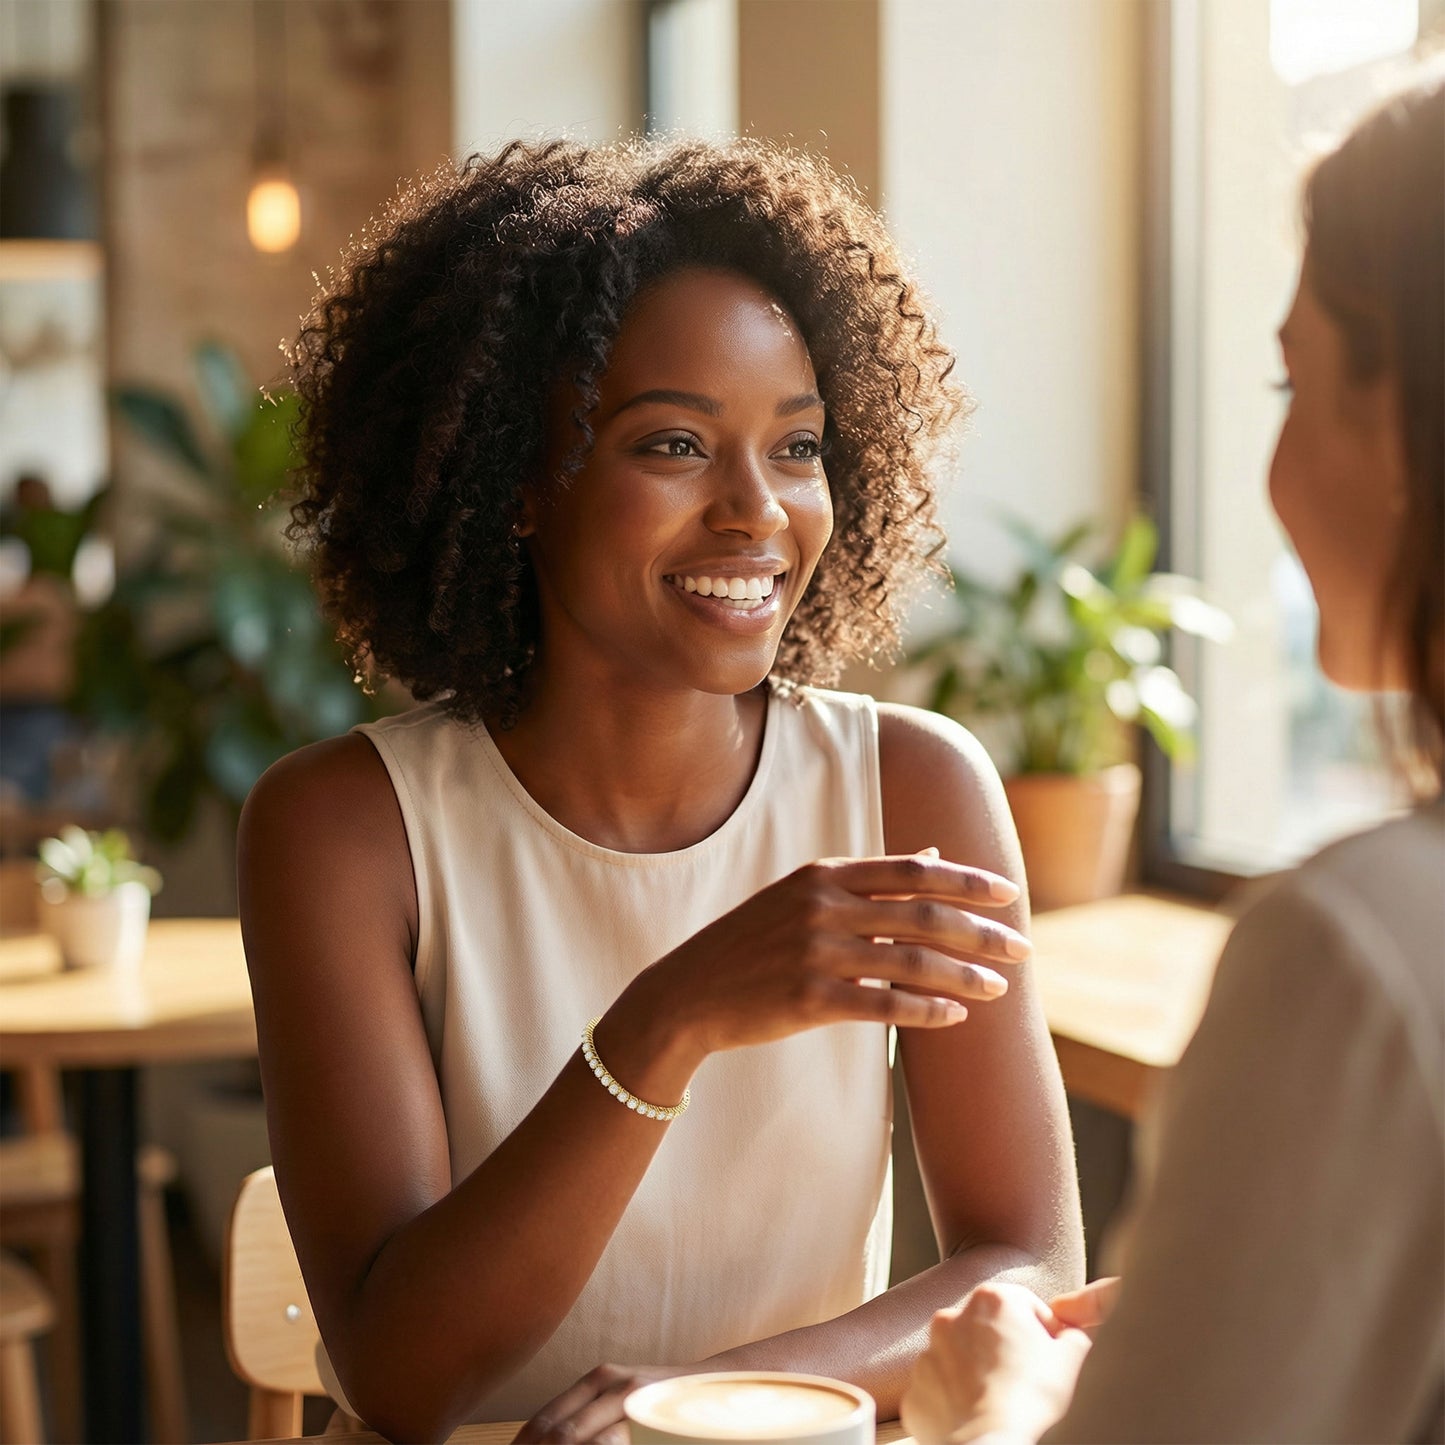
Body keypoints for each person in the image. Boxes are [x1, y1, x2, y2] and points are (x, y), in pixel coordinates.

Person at [237, 137, 1085, 1443]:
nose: (758, 511)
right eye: (675, 443)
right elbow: (406, 1377)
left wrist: (693, 1403)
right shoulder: (344, 831)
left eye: (796, 446)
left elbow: (1025, 1264)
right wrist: (666, 1020)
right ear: (518, 481)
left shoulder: (911, 788)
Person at [901, 75, 1445, 1445]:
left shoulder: (1355, 954)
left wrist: (997, 1407)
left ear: (1406, 419)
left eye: (1292, 380)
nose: (1270, 468)